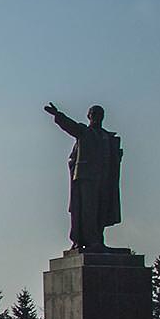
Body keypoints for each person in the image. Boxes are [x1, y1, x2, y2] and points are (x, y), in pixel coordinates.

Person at [43, 102, 123, 251]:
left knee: (102, 210)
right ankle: (89, 240)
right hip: (86, 178)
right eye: (94, 114)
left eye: (100, 115)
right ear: (89, 116)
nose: (97, 117)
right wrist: (58, 115)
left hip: (104, 179)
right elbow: (70, 126)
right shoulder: (85, 132)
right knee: (87, 210)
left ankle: (98, 240)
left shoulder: (108, 137)